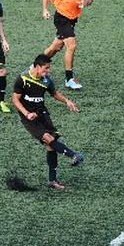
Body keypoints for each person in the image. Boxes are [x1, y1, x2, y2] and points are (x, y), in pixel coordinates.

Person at [12, 54, 84, 190]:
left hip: (42, 113)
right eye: (46, 68)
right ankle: (73, 155)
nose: (48, 71)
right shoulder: (23, 78)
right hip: (28, 116)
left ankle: (52, 181)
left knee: (50, 145)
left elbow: (54, 93)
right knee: (47, 137)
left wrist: (67, 101)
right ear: (37, 67)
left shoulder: (46, 80)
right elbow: (15, 99)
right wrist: (26, 114)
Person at [42, 0, 93, 90]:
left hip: (72, 19)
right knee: (71, 45)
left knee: (55, 47)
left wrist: (85, 3)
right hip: (61, 18)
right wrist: (45, 10)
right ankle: (69, 79)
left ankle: (36, 66)